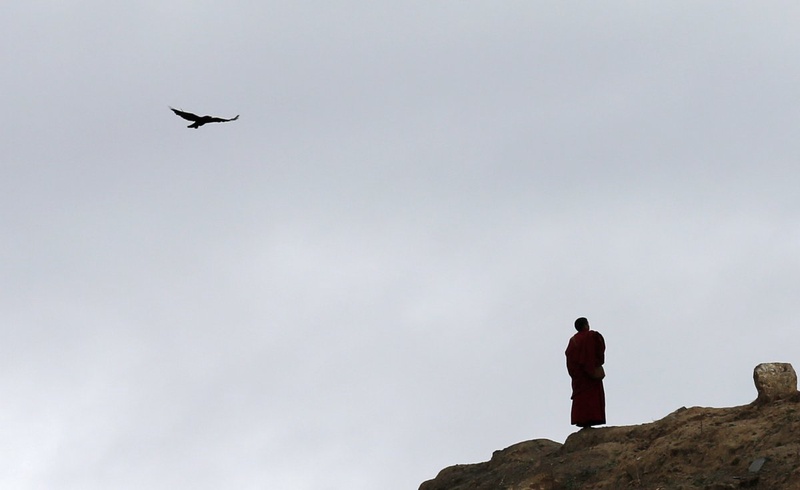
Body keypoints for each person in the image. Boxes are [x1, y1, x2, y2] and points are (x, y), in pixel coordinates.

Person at [565, 317, 606, 428]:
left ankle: (582, 421)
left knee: (582, 398)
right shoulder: (592, 336)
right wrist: (594, 363)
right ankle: (593, 418)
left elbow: (569, 356)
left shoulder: (573, 341)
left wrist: (575, 372)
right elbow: (600, 350)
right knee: (592, 397)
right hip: (590, 373)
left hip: (580, 376)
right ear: (586, 325)